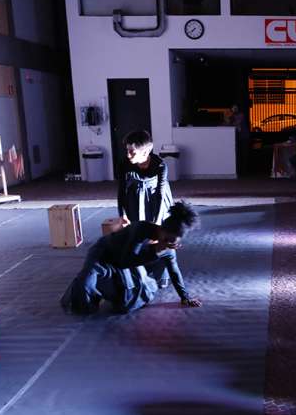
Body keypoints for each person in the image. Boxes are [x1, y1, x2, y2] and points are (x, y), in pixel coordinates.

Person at [61, 201, 202, 315]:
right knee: (85, 291)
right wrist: (155, 250)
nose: (169, 243)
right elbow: (125, 261)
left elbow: (174, 270)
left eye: (173, 241)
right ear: (161, 229)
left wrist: (185, 297)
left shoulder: (168, 246)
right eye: (167, 239)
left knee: (128, 302)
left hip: (127, 262)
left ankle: (108, 287)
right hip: (105, 253)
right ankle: (82, 289)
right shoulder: (141, 229)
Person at [118, 130, 174, 227]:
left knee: (160, 225)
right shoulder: (124, 164)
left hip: (155, 193)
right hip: (135, 195)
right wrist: (122, 214)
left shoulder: (160, 165)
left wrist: (157, 220)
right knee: (136, 227)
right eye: (127, 150)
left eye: (132, 152)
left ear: (145, 152)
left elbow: (160, 193)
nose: (128, 155)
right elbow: (121, 190)